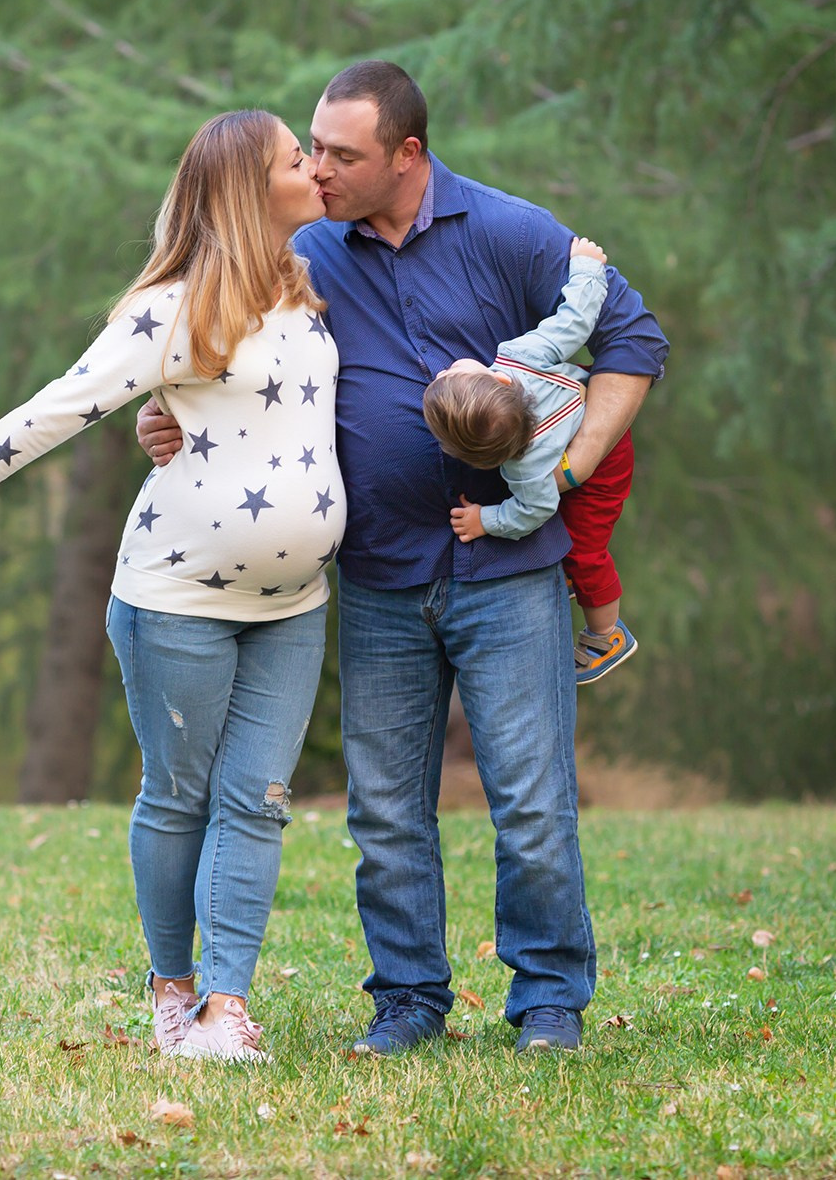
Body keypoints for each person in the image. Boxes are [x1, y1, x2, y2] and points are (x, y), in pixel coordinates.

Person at [138, 62, 667, 1055]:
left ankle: (547, 1001)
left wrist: (564, 473)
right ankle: (409, 1002)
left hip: (508, 576)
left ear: (406, 156)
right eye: (313, 148)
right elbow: (215, 350)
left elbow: (632, 341)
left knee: (532, 800)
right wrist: (163, 421)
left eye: (342, 154)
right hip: (377, 574)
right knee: (384, 812)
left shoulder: (509, 232)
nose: (320, 169)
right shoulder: (306, 252)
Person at [0, 110, 337, 1063]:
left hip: (294, 603)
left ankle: (227, 1008)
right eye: (300, 160)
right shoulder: (171, 308)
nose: (317, 170)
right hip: (176, 598)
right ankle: (173, 990)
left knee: (257, 797)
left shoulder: (308, 286)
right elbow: (56, 408)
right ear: (252, 189)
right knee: (179, 795)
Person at [422, 235, 640, 683]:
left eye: (448, 375)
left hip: (606, 455)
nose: (445, 370)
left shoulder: (522, 469)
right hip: (576, 446)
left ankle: (608, 635)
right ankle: (581, 595)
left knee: (585, 549)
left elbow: (532, 510)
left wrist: (486, 519)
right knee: (574, 540)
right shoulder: (521, 359)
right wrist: (586, 267)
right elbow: (573, 320)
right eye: (452, 375)